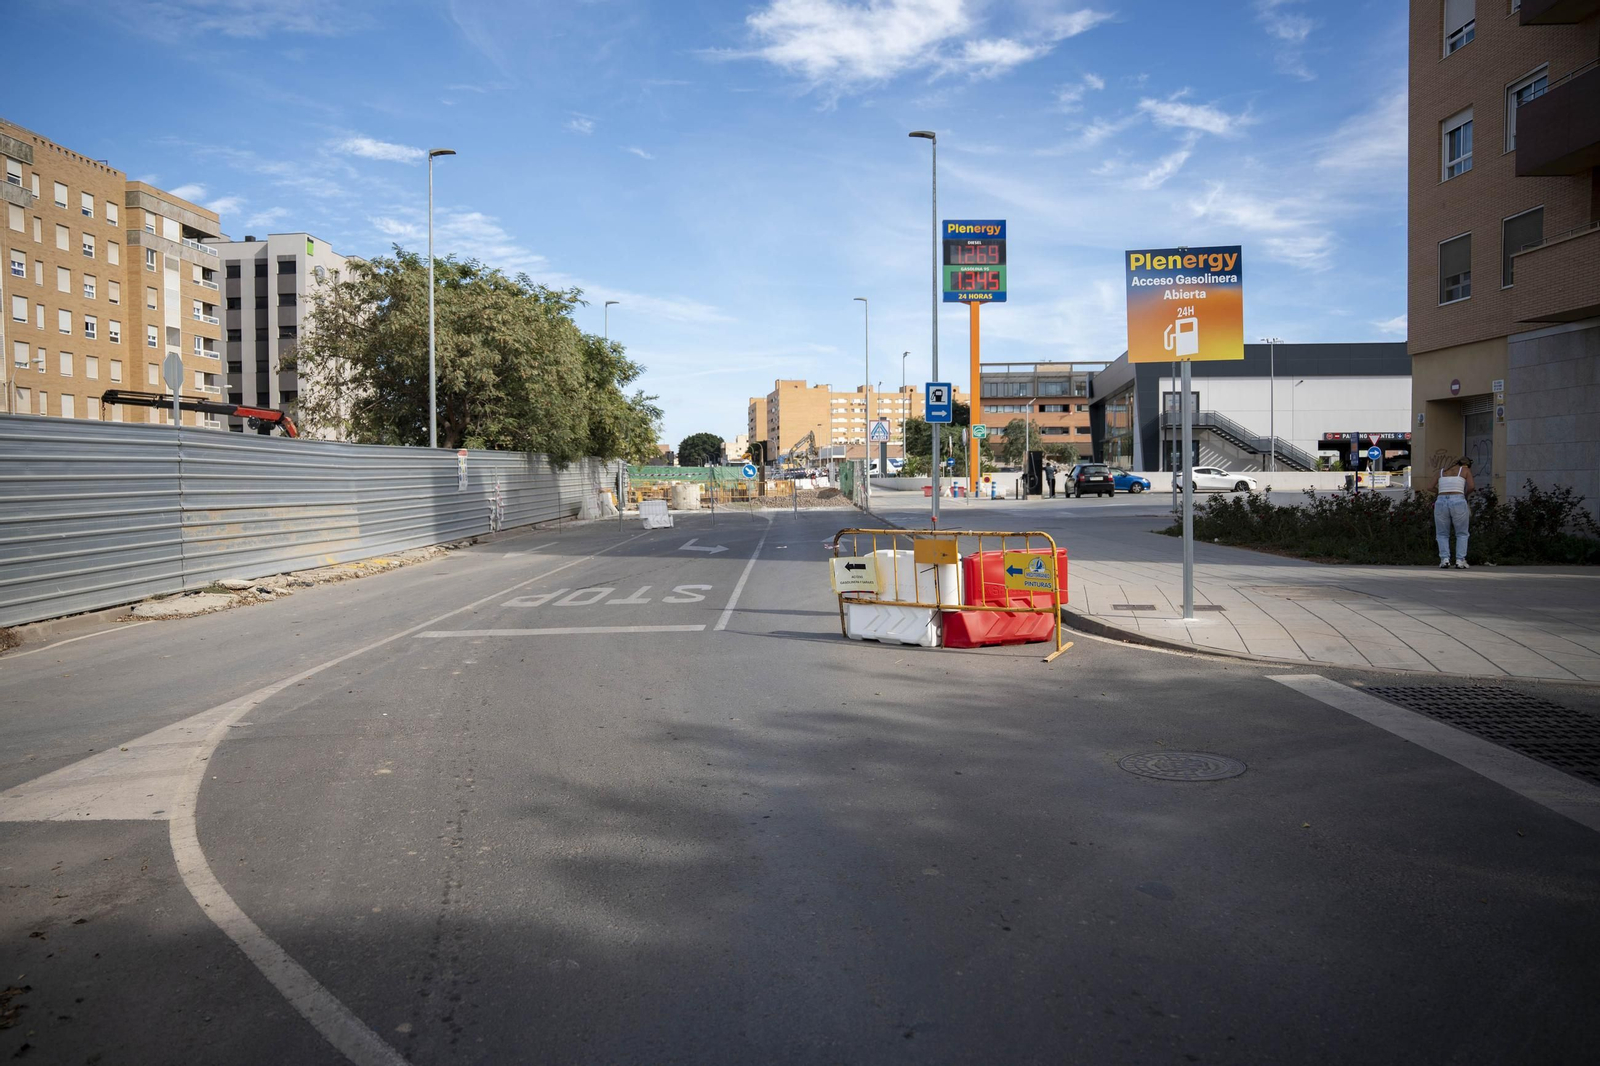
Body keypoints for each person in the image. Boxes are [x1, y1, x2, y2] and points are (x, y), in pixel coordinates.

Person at [1434, 457, 1475, 569]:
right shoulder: (1465, 470)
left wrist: (1439, 492)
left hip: (1441, 501)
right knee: (1462, 533)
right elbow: (1471, 486)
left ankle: (1444, 560)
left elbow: (1429, 486)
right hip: (1458, 500)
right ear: (1466, 465)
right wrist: (1464, 494)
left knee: (1442, 533)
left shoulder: (1442, 471)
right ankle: (1460, 560)